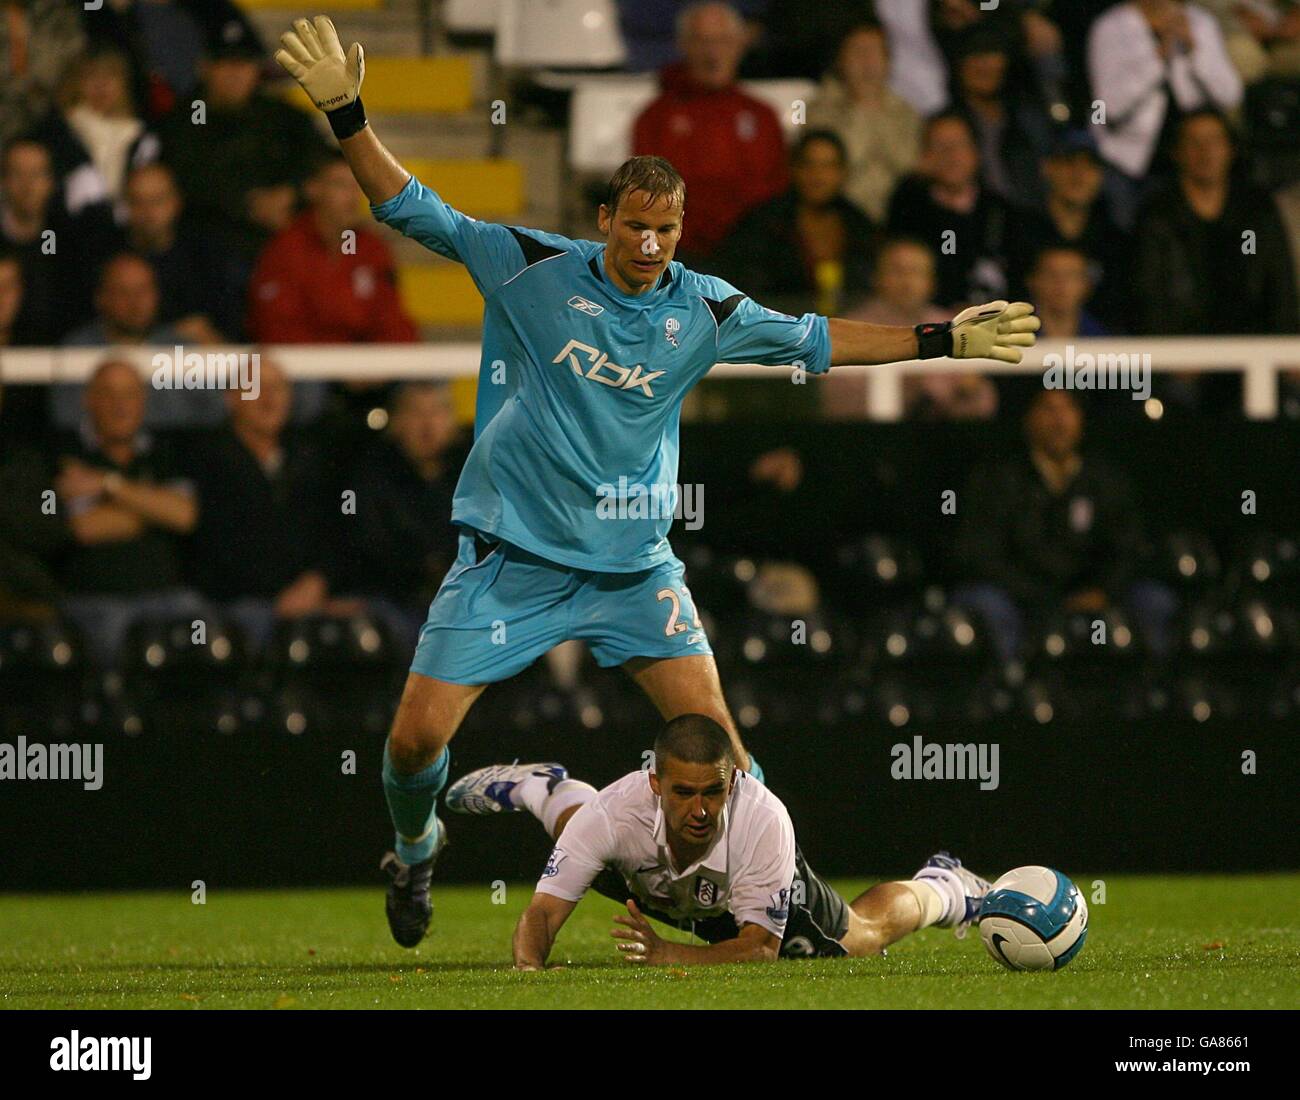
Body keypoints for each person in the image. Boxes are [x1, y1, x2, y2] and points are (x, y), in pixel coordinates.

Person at [274, 13, 1039, 949]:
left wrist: (943, 336)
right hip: (509, 560)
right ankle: (416, 842)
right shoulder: (528, 267)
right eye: (635, 227)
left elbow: (821, 339)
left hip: (634, 569)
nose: (649, 246)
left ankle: (780, 909)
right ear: (604, 221)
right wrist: (349, 116)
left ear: (681, 230)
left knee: (725, 751)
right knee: (411, 744)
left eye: (666, 231)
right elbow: (410, 205)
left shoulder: (705, 308)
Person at [444, 715, 992, 967]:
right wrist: (529, 974)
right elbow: (541, 915)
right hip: (648, 872)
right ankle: (542, 788)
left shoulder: (764, 821)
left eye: (714, 792)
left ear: (733, 783)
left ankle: (942, 886)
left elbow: (759, 947)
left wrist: (667, 954)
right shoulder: (615, 815)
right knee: (579, 833)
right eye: (683, 792)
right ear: (656, 783)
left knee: (856, 940)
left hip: (737, 901)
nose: (701, 809)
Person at [953, 389, 1175, 664]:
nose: (1059, 421)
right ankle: (1010, 688)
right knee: (985, 603)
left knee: (1154, 600)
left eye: (1067, 410)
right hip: (1022, 596)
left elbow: (1129, 548)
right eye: (1048, 409)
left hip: (1094, 592)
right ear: (1028, 419)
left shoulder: (1105, 480)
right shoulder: (999, 480)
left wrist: (1102, 591)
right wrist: (1041, 596)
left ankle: (1152, 691)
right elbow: (981, 554)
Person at [52, 358, 202, 668]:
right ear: (88, 400)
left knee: (206, 636)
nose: (120, 405)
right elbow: (80, 528)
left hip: (170, 598)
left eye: (130, 395)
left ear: (143, 400)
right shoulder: (63, 452)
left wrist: (107, 485)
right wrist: (154, 508)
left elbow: (185, 516)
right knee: (120, 647)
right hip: (96, 603)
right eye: (109, 394)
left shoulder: (166, 453)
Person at [631, 1, 788, 261]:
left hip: (752, 250)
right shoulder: (655, 118)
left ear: (740, 45)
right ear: (682, 45)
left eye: (723, 41)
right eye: (701, 41)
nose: (713, 52)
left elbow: (777, 188)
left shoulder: (762, 116)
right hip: (681, 249)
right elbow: (647, 192)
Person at [1087, 0, 1243, 228]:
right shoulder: (1111, 27)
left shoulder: (1200, 22)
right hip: (1127, 166)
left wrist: (1195, 51)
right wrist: (1158, 56)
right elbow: (1106, 108)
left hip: (1186, 166)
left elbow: (1230, 96)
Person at [247, 151, 417, 344]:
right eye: (340, 185)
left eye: (358, 186)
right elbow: (278, 328)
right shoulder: (287, 248)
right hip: (307, 367)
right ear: (313, 189)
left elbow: (392, 320)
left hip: (366, 366)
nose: (352, 196)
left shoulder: (370, 248)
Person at [709, 130, 877, 318]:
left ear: (843, 172)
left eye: (828, 166)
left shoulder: (861, 226)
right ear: (794, 168)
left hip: (849, 328)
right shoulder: (763, 222)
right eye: (809, 164)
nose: (818, 176)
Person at [885, 113, 1011, 309]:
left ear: (975, 152)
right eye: (940, 146)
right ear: (925, 156)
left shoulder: (1000, 211)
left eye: (959, 145)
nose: (951, 155)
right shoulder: (908, 210)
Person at [804, 22, 921, 224]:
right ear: (840, 61)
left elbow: (911, 169)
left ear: (888, 61)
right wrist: (861, 110)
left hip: (900, 220)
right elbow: (829, 172)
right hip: (839, 220)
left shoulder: (908, 112)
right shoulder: (817, 111)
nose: (867, 61)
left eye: (874, 52)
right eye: (858, 51)